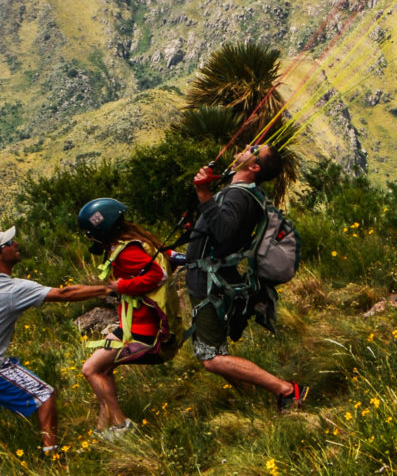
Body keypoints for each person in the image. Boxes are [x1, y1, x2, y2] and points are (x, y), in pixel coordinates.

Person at [0, 226, 108, 455]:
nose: (15, 244)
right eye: (8, 244)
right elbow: (64, 294)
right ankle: (52, 456)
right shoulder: (14, 289)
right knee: (45, 396)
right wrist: (106, 288)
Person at [187, 143, 306, 409]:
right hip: (209, 277)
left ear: (253, 167)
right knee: (216, 352)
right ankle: (252, 404)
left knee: (212, 358)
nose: (244, 147)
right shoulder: (241, 193)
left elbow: (223, 232)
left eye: (253, 149)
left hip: (209, 283)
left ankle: (286, 390)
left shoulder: (239, 196)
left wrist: (203, 192)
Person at [75, 197, 179, 439]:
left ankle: (122, 426)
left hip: (141, 330)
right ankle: (103, 429)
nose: (90, 238)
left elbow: (157, 274)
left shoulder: (126, 251)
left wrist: (124, 285)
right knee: (102, 369)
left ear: (103, 227)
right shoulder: (129, 243)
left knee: (90, 369)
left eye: (91, 233)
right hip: (132, 324)